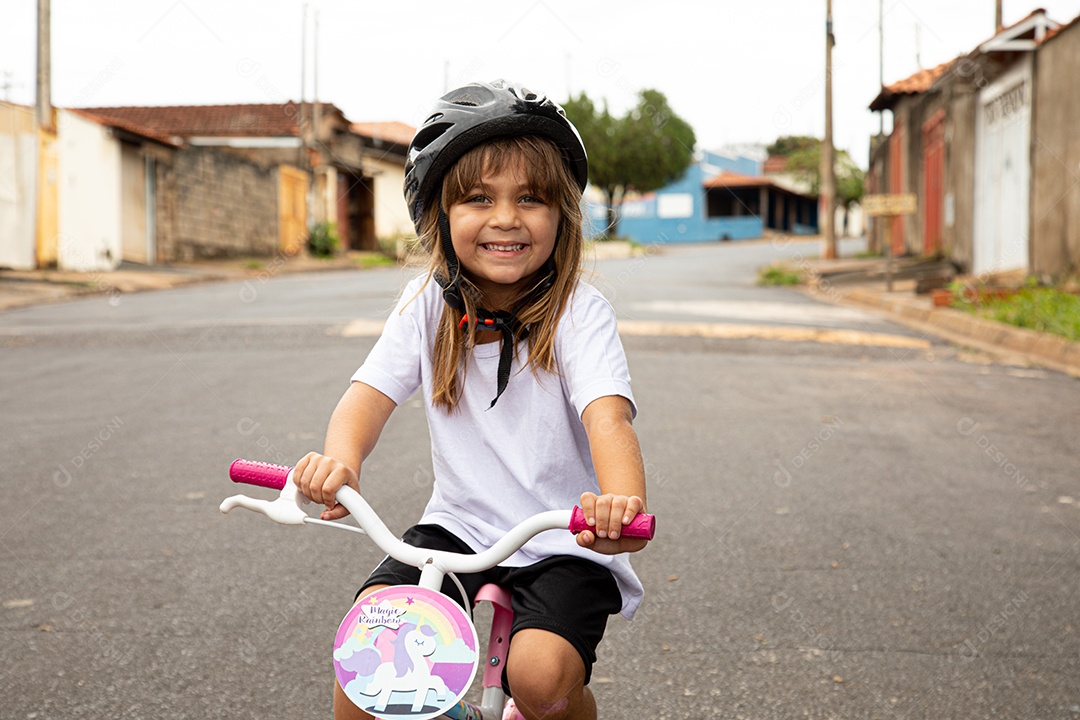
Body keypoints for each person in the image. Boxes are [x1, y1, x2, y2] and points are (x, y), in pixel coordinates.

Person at [292, 79, 649, 720]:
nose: (506, 217)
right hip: (458, 525)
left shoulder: (578, 312)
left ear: (561, 215)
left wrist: (620, 503)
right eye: (479, 198)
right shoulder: (426, 304)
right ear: (439, 214)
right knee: (365, 666)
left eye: (531, 199)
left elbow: (609, 417)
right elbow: (366, 397)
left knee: (540, 680)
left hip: (564, 537)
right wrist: (339, 461)